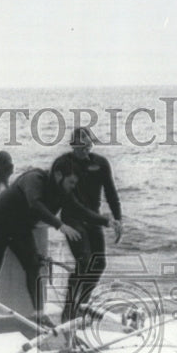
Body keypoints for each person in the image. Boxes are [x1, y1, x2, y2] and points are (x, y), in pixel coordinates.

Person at [0, 159, 112, 327]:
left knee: (33, 266)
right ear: (58, 175)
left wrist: (107, 222)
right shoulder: (34, 178)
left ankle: (39, 315)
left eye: (75, 183)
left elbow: (80, 210)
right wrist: (60, 226)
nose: (72, 186)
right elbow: (35, 204)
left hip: (20, 227)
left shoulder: (63, 192)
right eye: (71, 182)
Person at [52, 127, 124, 322]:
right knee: (83, 261)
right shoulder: (62, 164)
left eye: (89, 146)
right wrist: (106, 221)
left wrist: (118, 220)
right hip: (73, 218)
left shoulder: (100, 163)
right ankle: (68, 311)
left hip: (93, 218)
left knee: (99, 263)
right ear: (73, 146)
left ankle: (82, 305)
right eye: (81, 147)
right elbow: (72, 204)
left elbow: (111, 192)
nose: (85, 151)